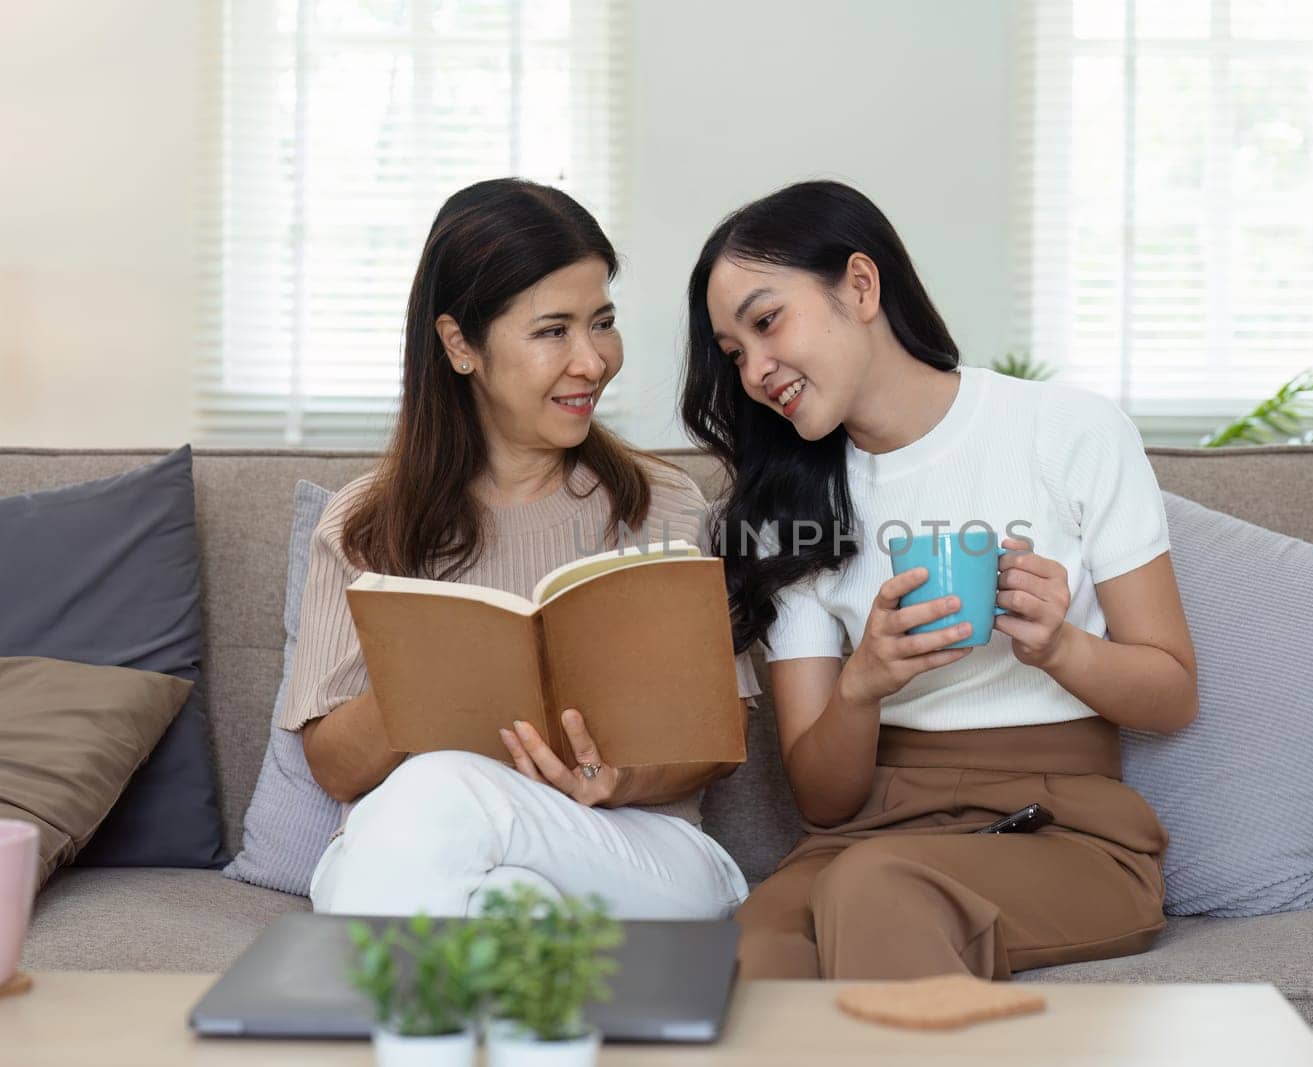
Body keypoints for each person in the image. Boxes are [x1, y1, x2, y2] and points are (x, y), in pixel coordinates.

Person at [678, 180, 1198, 980]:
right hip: (875, 829)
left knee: (875, 890)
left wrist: (1060, 646)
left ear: (859, 285)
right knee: (738, 964)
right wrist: (863, 685)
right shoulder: (785, 509)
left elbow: (1172, 693)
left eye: (767, 320)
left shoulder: (1070, 432)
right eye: (735, 352)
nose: (755, 371)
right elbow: (821, 801)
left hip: (1065, 829)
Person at [280, 178, 755, 920]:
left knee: (442, 788)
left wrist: (617, 779)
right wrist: (432, 673)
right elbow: (335, 769)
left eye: (602, 322)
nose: (592, 362)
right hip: (420, 847)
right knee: (502, 896)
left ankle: (361, 1016)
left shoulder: (662, 504)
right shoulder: (364, 522)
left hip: (633, 850)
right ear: (459, 344)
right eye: (553, 330)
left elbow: (720, 742)